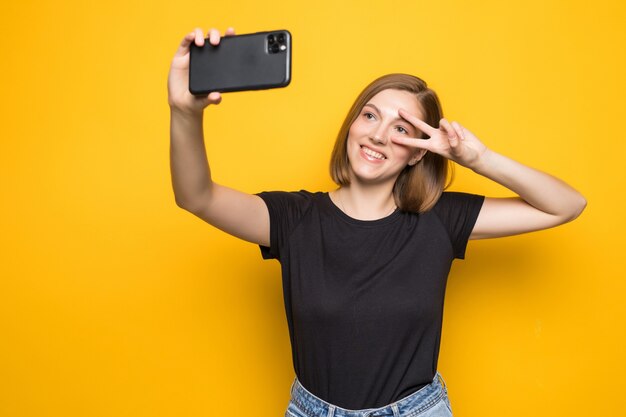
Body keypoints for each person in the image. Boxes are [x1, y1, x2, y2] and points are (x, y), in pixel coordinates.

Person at [168, 27, 586, 417]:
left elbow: (564, 205)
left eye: (401, 128)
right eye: (370, 116)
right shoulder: (294, 219)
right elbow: (196, 196)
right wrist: (185, 112)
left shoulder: (440, 218)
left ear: (419, 152)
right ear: (352, 125)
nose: (379, 135)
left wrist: (478, 159)